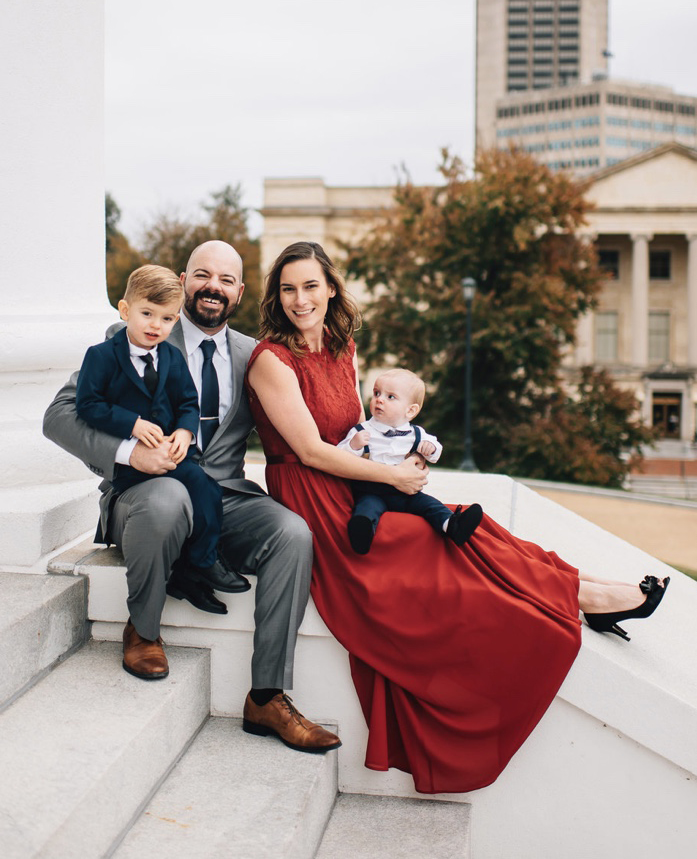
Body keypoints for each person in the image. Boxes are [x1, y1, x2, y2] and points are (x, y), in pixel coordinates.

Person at [245, 240, 670, 794]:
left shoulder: (341, 346)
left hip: (356, 482)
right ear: (277, 297)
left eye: (310, 286)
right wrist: (394, 479)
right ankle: (582, 598)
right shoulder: (270, 360)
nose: (300, 300)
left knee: (468, 523)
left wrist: (406, 460)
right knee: (434, 546)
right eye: (287, 288)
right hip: (317, 501)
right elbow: (312, 451)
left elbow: (362, 435)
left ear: (330, 289)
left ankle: (585, 587)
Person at [44, 241, 340, 754]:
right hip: (144, 493)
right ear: (183, 280)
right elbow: (59, 416)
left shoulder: (256, 356)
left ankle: (267, 695)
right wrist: (127, 453)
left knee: (292, 533)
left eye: (226, 280)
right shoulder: (136, 333)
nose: (213, 288)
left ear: (240, 292)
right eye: (202, 275)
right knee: (167, 501)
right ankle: (143, 630)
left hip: (224, 494)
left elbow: (308, 430)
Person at [75, 264, 243, 606]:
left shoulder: (171, 356)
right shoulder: (101, 355)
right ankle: (193, 566)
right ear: (125, 311)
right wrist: (132, 425)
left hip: (167, 454)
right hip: (130, 464)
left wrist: (184, 429)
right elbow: (88, 405)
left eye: (167, 319)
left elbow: (187, 401)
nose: (156, 325)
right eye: (147, 314)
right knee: (175, 499)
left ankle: (198, 562)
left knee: (204, 488)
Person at [336, 368, 482, 554]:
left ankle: (452, 525)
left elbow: (436, 451)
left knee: (429, 504)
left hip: (405, 492)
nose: (379, 399)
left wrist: (430, 450)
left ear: (410, 410)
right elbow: (340, 456)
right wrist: (354, 446)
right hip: (371, 489)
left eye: (390, 397)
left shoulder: (417, 434)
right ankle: (363, 533)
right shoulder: (362, 430)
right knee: (367, 508)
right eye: (376, 393)